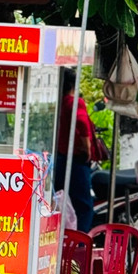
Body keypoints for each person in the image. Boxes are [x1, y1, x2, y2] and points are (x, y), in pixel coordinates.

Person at [53, 68, 98, 232]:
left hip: (60, 159)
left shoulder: (59, 103)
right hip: (75, 161)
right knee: (84, 206)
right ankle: (81, 242)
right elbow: (82, 124)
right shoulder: (74, 102)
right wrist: (87, 149)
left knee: (62, 201)